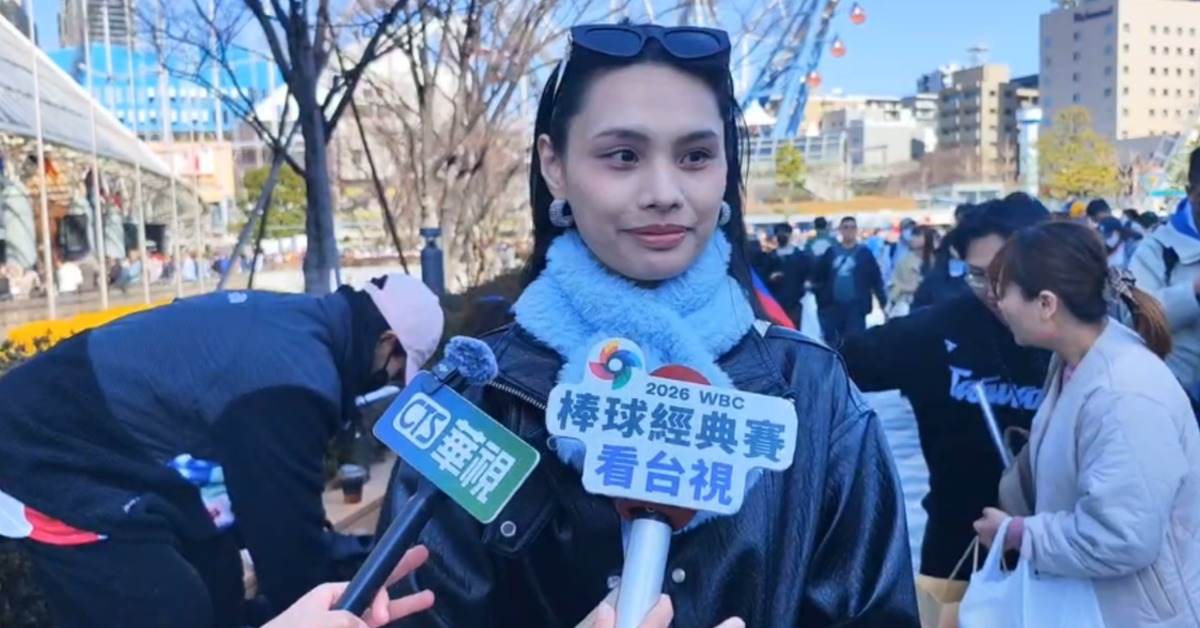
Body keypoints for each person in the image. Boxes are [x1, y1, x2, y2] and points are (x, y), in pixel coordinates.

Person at [379, 21, 917, 628]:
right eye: (623, 156)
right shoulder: (473, 402)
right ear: (554, 165)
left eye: (695, 156)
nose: (664, 191)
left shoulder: (815, 393)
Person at [0, 273, 444, 628]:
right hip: (41, 447)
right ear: (386, 341)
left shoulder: (298, 326)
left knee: (216, 568)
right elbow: (286, 546)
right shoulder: (293, 382)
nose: (388, 381)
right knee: (165, 606)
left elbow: (270, 513)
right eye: (395, 371)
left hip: (111, 443)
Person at [977, 220, 1200, 627]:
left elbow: (1122, 537)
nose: (998, 303)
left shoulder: (1124, 395)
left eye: (1004, 290)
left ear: (1046, 304)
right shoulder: (1075, 361)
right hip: (1099, 606)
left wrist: (1019, 534)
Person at [834, 197, 1052, 583]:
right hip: (959, 557)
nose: (994, 291)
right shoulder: (938, 330)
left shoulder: (1083, 341)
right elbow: (832, 363)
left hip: (1063, 557)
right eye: (978, 274)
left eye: (1008, 273)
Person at [1128, 146, 1200, 416]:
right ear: (1191, 192)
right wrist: (1193, 293)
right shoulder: (1156, 249)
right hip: (1177, 400)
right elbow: (1134, 318)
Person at [811, 215, 887, 347]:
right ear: (840, 230)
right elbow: (819, 276)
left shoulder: (864, 253)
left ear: (856, 230)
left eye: (852, 228)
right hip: (833, 307)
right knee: (834, 344)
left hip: (856, 307)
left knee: (855, 343)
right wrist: (821, 299)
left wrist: (883, 302)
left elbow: (875, 279)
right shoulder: (831, 252)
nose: (849, 231)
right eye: (846, 227)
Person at [886, 225, 937, 318]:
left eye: (918, 235)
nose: (913, 239)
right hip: (907, 305)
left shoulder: (936, 261)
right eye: (913, 235)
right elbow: (893, 284)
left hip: (932, 306)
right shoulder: (905, 261)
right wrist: (906, 288)